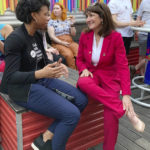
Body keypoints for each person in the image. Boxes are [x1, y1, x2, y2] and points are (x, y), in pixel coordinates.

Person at [0, 0, 88, 150]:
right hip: (22, 89)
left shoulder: (38, 34)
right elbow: (9, 77)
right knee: (71, 115)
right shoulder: (15, 39)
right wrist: (40, 73)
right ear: (34, 15)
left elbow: (42, 61)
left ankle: (46, 136)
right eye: (46, 14)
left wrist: (56, 66)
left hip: (41, 80)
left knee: (81, 100)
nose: (49, 17)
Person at [76, 2, 145, 150]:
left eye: (91, 16)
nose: (88, 19)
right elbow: (79, 59)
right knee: (82, 82)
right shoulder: (85, 35)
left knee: (110, 116)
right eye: (87, 16)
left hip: (109, 77)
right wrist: (83, 69)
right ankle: (124, 111)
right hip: (92, 75)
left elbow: (122, 67)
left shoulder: (116, 37)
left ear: (102, 18)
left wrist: (126, 93)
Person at [47, 2, 78, 69]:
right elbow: (51, 36)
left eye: (57, 8)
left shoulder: (67, 20)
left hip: (70, 41)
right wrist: (62, 42)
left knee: (78, 51)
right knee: (68, 55)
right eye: (54, 8)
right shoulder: (51, 21)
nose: (55, 10)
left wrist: (72, 24)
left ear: (62, 10)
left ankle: (81, 69)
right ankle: (74, 73)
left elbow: (73, 34)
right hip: (58, 43)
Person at [130, 0, 150, 78]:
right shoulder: (144, 2)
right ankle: (142, 75)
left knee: (147, 55)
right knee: (142, 55)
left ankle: (135, 68)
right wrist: (137, 31)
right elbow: (138, 17)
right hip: (144, 32)